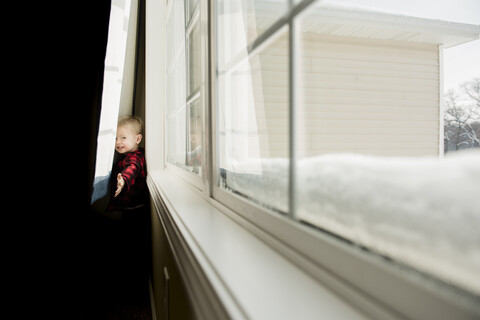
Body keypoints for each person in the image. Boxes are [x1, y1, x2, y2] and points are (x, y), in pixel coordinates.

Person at [107, 115, 147, 212]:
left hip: (132, 206)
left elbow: (131, 169)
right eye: (115, 138)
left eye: (123, 138)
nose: (117, 142)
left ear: (137, 139)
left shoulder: (134, 158)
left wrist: (124, 180)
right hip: (133, 203)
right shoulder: (137, 154)